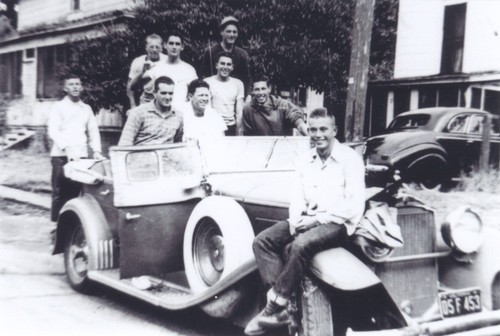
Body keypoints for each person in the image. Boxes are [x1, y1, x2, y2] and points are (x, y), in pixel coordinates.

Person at [244, 108, 365, 336]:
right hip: (307, 219)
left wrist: (313, 221)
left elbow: (353, 206)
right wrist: (296, 221)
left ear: (334, 131)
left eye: (323, 129)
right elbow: (297, 197)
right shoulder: (303, 160)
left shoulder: (350, 159)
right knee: (262, 242)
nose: (318, 134)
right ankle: (286, 308)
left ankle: (275, 305)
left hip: (337, 223)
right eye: (312, 129)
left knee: (299, 246)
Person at [47, 75, 104, 222]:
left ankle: (70, 227)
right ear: (65, 88)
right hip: (61, 156)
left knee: (77, 192)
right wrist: (67, 148)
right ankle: (57, 227)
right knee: (59, 193)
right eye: (71, 84)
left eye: (77, 84)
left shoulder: (86, 109)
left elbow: (93, 131)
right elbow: (53, 130)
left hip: (81, 157)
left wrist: (96, 151)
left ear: (82, 87)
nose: (75, 87)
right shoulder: (58, 107)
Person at [130, 32, 197, 110]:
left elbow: (196, 92)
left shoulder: (189, 69)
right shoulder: (157, 67)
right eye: (171, 43)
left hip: (180, 113)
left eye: (177, 44)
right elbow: (133, 86)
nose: (174, 47)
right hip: (160, 115)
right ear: (165, 45)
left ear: (182, 47)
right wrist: (142, 73)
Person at [119, 76, 183, 146]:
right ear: (154, 93)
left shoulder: (178, 116)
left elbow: (178, 144)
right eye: (163, 93)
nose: (168, 97)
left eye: (170, 93)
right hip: (141, 155)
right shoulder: (138, 113)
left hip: (166, 155)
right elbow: (125, 142)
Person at [199, 16, 251, 97]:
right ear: (222, 32)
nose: (232, 35)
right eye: (228, 31)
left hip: (235, 95)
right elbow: (203, 76)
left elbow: (247, 79)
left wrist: (248, 96)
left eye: (234, 32)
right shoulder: (211, 52)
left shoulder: (241, 54)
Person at [243, 77, 308, 136]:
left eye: (263, 89)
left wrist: (311, 137)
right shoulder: (248, 109)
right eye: (257, 89)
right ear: (253, 91)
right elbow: (248, 135)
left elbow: (299, 123)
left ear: (269, 89)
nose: (260, 93)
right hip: (260, 146)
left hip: (282, 145)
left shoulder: (282, 104)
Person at [204, 52, 244, 135]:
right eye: (222, 63)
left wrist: (239, 133)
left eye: (228, 64)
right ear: (216, 65)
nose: (225, 67)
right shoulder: (207, 82)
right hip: (213, 126)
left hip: (231, 127)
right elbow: (207, 109)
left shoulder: (238, 83)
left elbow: (239, 112)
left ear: (232, 67)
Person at [127, 34, 167, 109]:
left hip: (165, 101)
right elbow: (130, 87)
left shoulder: (167, 61)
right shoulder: (138, 62)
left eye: (157, 47)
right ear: (146, 48)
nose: (154, 50)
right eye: (151, 47)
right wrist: (133, 106)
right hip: (146, 101)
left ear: (161, 48)